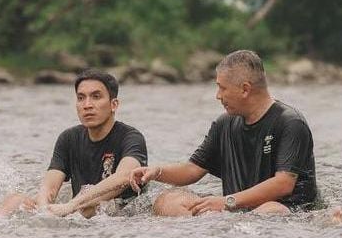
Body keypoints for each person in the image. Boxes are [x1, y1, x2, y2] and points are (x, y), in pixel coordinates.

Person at [130, 49, 320, 216]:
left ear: (245, 89)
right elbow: (192, 170)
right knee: (167, 200)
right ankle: (203, 233)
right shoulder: (224, 124)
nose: (218, 95)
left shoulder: (290, 122)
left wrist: (227, 202)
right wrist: (156, 172)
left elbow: (283, 184)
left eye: (222, 88)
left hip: (285, 210)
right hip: (235, 211)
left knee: (271, 209)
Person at [0, 70, 148, 218]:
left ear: (113, 104)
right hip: (77, 210)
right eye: (81, 98)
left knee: (90, 208)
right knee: (15, 200)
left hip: (119, 215)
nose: (87, 105)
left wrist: (72, 205)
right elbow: (49, 188)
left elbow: (124, 177)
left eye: (96, 97)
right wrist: (43, 212)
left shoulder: (131, 137)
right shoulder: (69, 138)